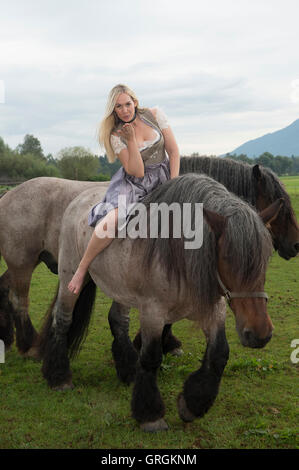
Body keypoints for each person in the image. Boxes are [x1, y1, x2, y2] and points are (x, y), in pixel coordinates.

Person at [68, 84, 180, 294]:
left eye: (127, 104)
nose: (125, 110)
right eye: (119, 107)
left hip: (165, 176)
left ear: (135, 102)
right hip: (135, 184)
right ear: (114, 111)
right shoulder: (115, 135)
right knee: (114, 219)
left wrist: (174, 185)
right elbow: (136, 171)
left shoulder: (155, 115)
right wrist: (129, 141)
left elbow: (173, 152)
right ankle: (82, 269)